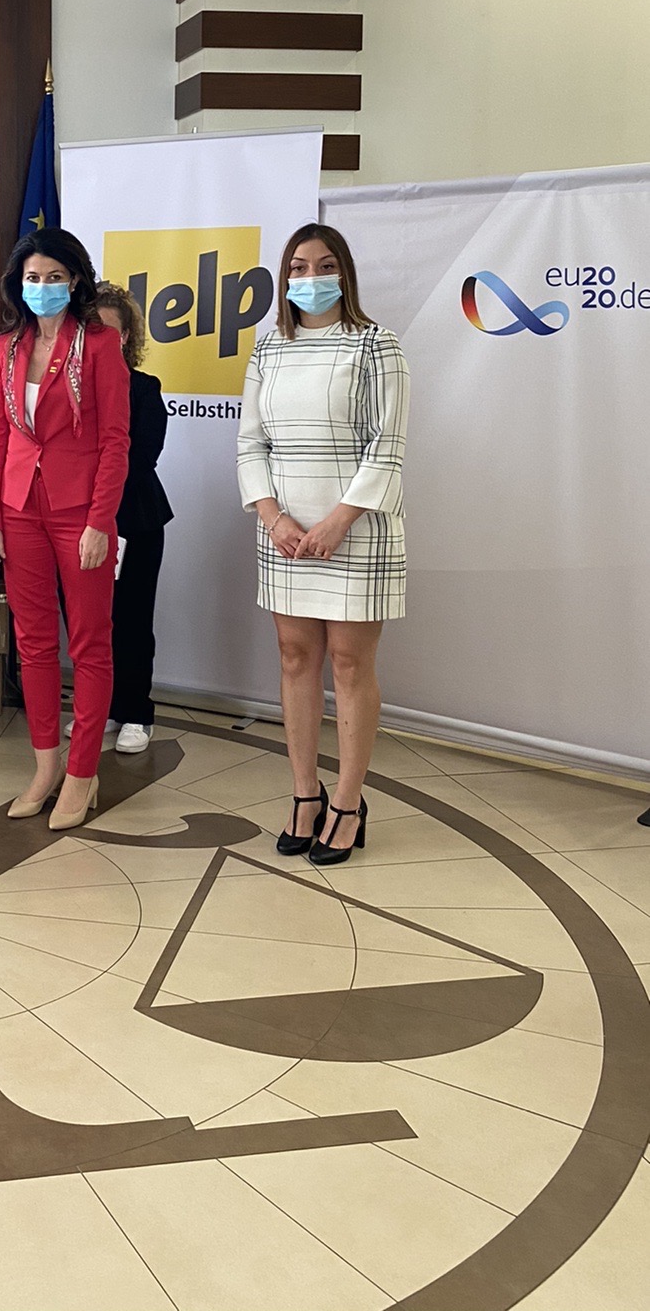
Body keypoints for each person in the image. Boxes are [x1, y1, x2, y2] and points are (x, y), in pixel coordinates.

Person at [237, 222, 410, 865]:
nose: (312, 278)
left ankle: (348, 802)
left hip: (355, 529)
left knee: (349, 664)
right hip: (284, 533)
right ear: (285, 278)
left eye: (326, 265)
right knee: (293, 657)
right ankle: (304, 794)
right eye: (299, 267)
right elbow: (251, 442)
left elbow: (388, 445)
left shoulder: (377, 344)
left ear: (346, 273)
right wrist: (271, 516)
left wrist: (339, 521)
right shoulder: (268, 347)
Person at [0, 229, 130, 830]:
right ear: (18, 284)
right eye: (33, 278)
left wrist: (100, 521)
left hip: (80, 513)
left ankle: (82, 772)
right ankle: (46, 766)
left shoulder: (100, 344)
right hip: (19, 510)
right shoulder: (6, 348)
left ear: (75, 282)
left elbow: (116, 441)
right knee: (35, 644)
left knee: (89, 644)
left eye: (55, 277)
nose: (42, 287)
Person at [92, 281, 173, 754]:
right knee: (92, 623)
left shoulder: (143, 388)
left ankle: (137, 712)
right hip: (80, 523)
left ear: (126, 337)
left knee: (133, 619)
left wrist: (98, 492)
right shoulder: (70, 388)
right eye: (91, 329)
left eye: (109, 330)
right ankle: (104, 707)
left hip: (134, 522)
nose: (99, 339)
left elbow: (140, 457)